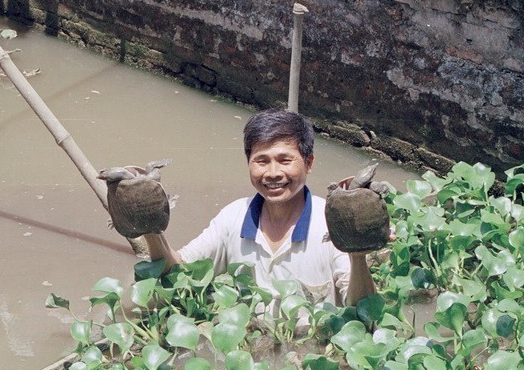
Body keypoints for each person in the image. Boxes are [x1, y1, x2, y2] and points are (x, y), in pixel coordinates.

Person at [134, 108, 381, 307]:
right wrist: (150, 228)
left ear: (309, 163)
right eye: (261, 161)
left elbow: (363, 310)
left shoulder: (331, 222)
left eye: (285, 160)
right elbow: (177, 273)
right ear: (248, 163)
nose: (273, 173)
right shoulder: (233, 217)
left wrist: (357, 253)